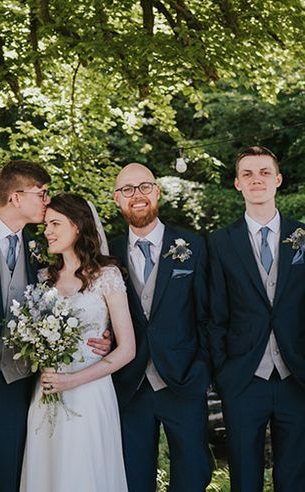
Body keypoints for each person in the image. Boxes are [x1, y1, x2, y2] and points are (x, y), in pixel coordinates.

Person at [0, 163, 111, 492]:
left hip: (15, 384)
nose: (47, 200)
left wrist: (101, 336)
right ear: (15, 197)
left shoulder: (39, 252)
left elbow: (69, 303)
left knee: (9, 478)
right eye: (42, 193)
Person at [20, 193, 135, 492]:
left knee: (84, 474)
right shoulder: (43, 278)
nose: (47, 232)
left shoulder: (107, 276)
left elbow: (127, 349)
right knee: (48, 474)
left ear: (78, 227)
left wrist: (73, 381)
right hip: (46, 394)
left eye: (55, 223)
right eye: (46, 224)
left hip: (90, 394)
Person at [109, 163, 212, 492]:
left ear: (157, 192)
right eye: (127, 190)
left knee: (193, 476)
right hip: (128, 386)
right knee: (132, 478)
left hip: (184, 380)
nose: (136, 195)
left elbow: (210, 315)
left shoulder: (193, 245)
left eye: (143, 187)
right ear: (116, 200)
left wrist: (203, 369)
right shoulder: (105, 253)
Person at [208, 147, 305, 492]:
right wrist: (224, 372)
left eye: (264, 172)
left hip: (297, 378)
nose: (256, 179)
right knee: (244, 478)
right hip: (243, 379)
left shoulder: (302, 236)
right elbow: (215, 314)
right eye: (247, 174)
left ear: (278, 180)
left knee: (294, 478)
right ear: (237, 184)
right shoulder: (219, 242)